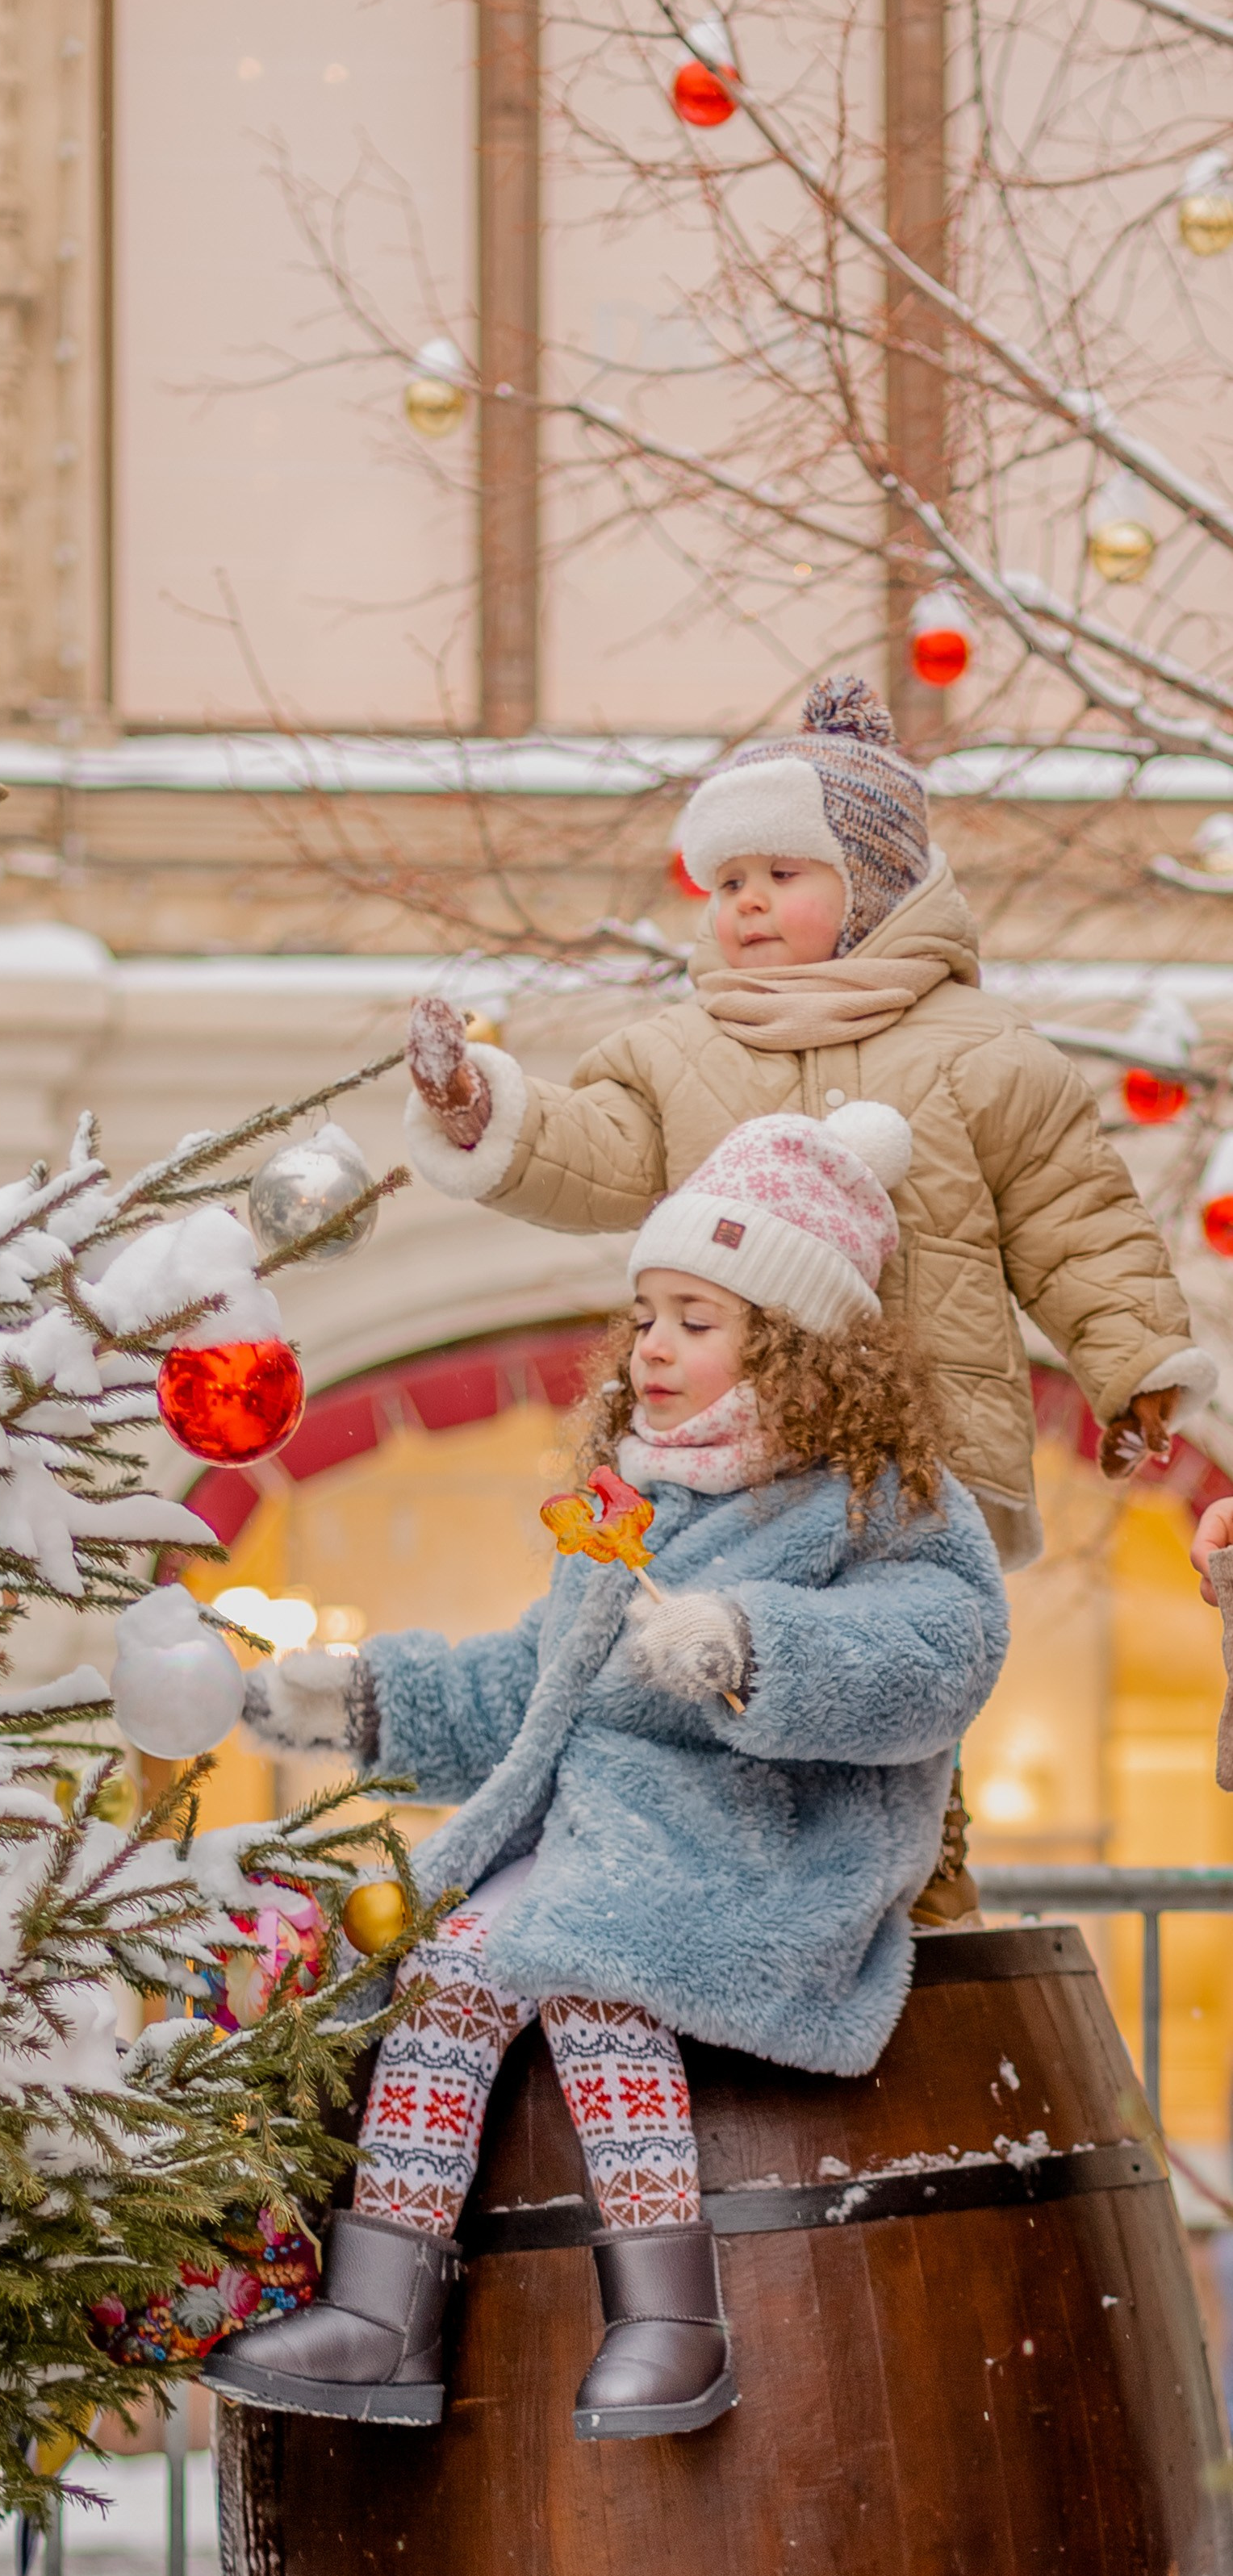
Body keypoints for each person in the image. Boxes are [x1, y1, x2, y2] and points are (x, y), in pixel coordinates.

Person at [201, 1104, 1009, 2442]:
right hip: (599, 1841)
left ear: (794, 1342)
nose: (653, 1347)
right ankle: (384, 2310)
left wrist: (754, 1646)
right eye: (645, 1316)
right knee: (449, 1966)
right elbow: (533, 1690)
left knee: (592, 1962)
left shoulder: (876, 1498)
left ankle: (668, 2316)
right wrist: (360, 1695)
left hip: (757, 1853)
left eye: (695, 1318)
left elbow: (937, 1652)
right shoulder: (636, 1502)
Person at [403, 674, 1212, 1573]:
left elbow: (1074, 1225)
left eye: (781, 875)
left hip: (927, 1459)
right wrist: (481, 1111)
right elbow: (596, 1149)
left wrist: (1136, 1369)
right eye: (729, 881)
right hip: (735, 1462)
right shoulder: (682, 1051)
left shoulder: (984, 1052)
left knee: (902, 1647)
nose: (746, 901)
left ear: (870, 888)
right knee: (725, 1644)